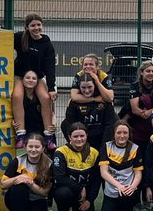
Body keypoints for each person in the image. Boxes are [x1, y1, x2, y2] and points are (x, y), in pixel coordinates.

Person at [13, 14, 57, 148]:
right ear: (27, 27)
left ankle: (49, 136)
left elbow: (50, 67)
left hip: (36, 77)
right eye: (33, 25)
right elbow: (4, 37)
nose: (36, 28)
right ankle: (20, 134)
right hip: (20, 76)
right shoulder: (19, 37)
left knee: (45, 97)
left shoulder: (47, 44)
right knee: (17, 95)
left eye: (38, 25)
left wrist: (51, 88)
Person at [50, 122, 100, 211]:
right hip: (68, 191)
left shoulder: (94, 153)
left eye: (82, 136)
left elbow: (96, 180)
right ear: (69, 138)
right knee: (63, 192)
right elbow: (59, 177)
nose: (79, 139)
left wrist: (89, 200)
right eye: (75, 136)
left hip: (83, 197)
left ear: (87, 136)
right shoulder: (61, 152)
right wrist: (80, 188)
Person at [1, 133, 54, 211]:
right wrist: (18, 178)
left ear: (43, 148)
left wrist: (30, 183)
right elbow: (3, 184)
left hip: (38, 200)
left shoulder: (49, 164)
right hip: (16, 198)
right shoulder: (18, 161)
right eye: (30, 146)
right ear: (25, 147)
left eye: (37, 147)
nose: (33, 150)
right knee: (19, 186)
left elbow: (45, 193)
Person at [98, 120, 144, 211]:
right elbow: (104, 172)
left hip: (127, 191)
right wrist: (118, 186)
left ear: (129, 134)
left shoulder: (135, 148)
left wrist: (132, 187)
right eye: (119, 133)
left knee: (126, 194)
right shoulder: (106, 146)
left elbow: (138, 173)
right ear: (114, 134)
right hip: (112, 191)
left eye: (125, 132)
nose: (122, 135)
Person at [65, 73, 112, 143]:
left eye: (90, 87)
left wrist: (104, 148)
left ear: (95, 86)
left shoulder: (104, 100)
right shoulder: (74, 103)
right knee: (64, 124)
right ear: (79, 87)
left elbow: (109, 126)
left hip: (101, 141)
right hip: (82, 143)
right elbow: (70, 126)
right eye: (83, 87)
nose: (87, 90)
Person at [126, 60, 153, 146]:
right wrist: (146, 114)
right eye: (148, 71)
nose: (151, 73)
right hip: (137, 119)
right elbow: (135, 109)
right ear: (141, 72)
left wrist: (151, 111)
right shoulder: (135, 86)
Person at [19, 69, 46, 135]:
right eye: (27, 78)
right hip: (25, 131)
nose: (31, 80)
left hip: (40, 131)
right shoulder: (18, 98)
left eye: (34, 78)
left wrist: (53, 121)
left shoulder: (42, 97)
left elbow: (51, 112)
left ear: (37, 81)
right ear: (22, 80)